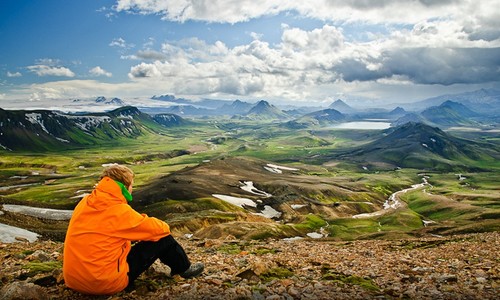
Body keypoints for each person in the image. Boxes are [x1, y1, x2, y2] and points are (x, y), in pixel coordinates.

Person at [63, 164, 204, 295]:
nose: (132, 189)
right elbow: (160, 229)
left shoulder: (85, 202)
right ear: (124, 187)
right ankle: (185, 269)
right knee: (163, 238)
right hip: (104, 284)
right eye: (131, 185)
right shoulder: (119, 211)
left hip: (74, 281)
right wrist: (143, 221)